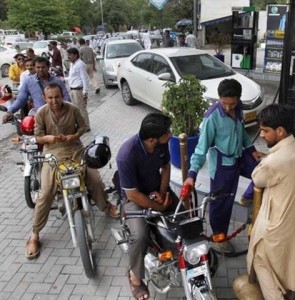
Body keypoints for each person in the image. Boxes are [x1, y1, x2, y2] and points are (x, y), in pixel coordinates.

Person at [24, 82, 118, 259]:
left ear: (62, 95)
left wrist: (75, 136)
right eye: (50, 98)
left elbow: (82, 127)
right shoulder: (41, 113)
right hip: (52, 155)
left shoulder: (73, 109)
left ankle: (106, 206)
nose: (54, 101)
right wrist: (49, 138)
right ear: (45, 98)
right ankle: (35, 234)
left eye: (57, 96)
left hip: (76, 151)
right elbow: (37, 137)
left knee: (95, 180)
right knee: (45, 193)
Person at [183, 79, 263, 254]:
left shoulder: (239, 107)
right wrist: (191, 174)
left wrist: (252, 150)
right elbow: (200, 149)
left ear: (238, 99)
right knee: (221, 204)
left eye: (232, 104)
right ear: (219, 99)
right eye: (224, 103)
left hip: (240, 157)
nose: (228, 107)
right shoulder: (211, 118)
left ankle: (248, 196)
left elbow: (242, 133)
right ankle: (219, 238)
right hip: (222, 165)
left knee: (261, 172)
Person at [247, 104, 295, 300]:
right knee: (287, 267)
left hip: (276, 225)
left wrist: (267, 160)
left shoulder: (274, 162)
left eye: (265, 131)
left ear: (280, 131)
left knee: (262, 264)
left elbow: (257, 178)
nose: (261, 135)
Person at [116, 112, 180, 300]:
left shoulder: (162, 144)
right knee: (140, 235)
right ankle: (134, 278)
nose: (170, 135)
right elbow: (132, 194)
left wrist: (161, 193)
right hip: (134, 199)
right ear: (152, 140)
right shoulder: (126, 155)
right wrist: (157, 207)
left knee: (184, 215)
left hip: (156, 189)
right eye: (167, 132)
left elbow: (166, 168)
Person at [2, 57, 70, 123]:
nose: (40, 69)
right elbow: (21, 99)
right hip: (40, 118)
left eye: (43, 67)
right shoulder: (29, 81)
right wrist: (10, 112)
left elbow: (66, 98)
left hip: (58, 117)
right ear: (35, 67)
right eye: (38, 67)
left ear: (48, 67)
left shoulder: (57, 81)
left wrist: (66, 114)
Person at [66, 47, 91, 131]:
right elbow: (72, 77)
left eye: (70, 55)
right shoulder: (72, 64)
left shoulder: (80, 64)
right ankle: (81, 125)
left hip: (78, 90)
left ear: (75, 55)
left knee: (81, 109)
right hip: (72, 90)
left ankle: (86, 126)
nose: (68, 56)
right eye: (68, 55)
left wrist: (85, 92)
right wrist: (64, 79)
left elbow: (85, 79)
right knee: (76, 109)